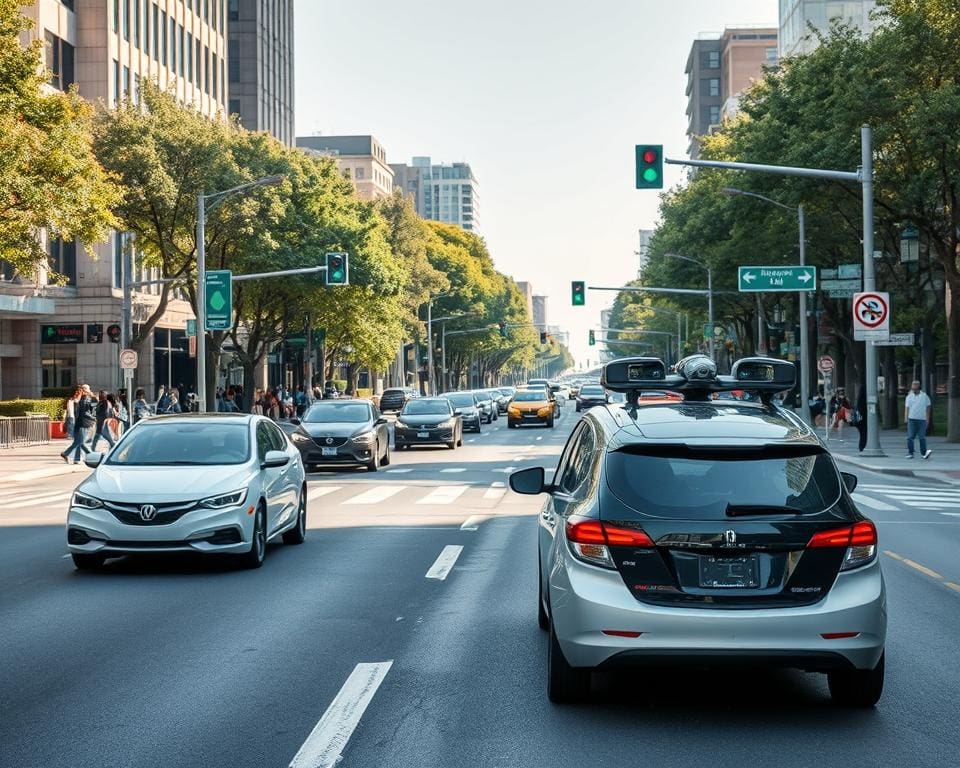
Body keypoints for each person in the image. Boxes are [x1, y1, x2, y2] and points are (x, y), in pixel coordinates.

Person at [905, 380, 933, 459]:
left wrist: (927, 418)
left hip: (922, 420)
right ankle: (910, 452)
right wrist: (906, 417)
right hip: (911, 419)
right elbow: (907, 407)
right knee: (910, 437)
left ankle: (924, 453)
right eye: (912, 388)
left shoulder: (924, 396)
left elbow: (928, 407)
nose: (913, 390)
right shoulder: (909, 396)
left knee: (922, 437)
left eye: (915, 388)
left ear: (918, 388)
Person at [855, 386, 868, 453]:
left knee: (862, 433)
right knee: (864, 433)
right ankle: (862, 446)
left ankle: (862, 446)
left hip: (860, 419)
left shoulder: (859, 400)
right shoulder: (864, 400)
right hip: (863, 418)